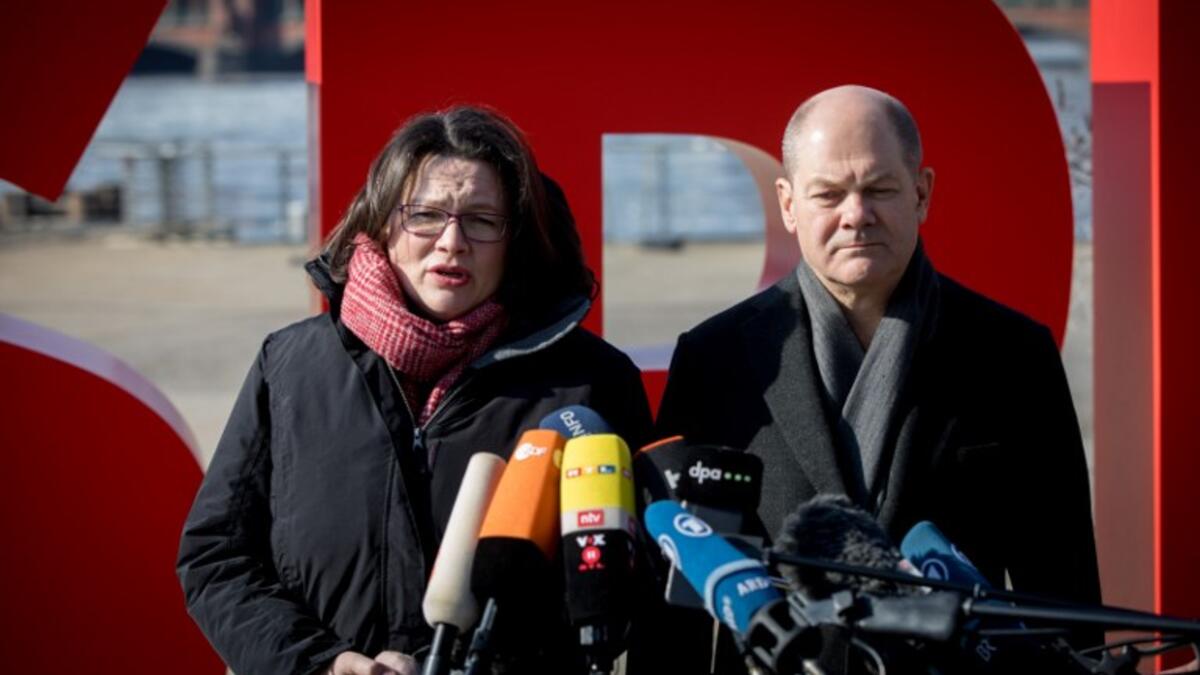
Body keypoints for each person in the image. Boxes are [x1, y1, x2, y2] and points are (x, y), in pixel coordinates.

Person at [177, 106, 653, 675]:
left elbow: (636, 588)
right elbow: (217, 557)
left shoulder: (590, 384)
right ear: (382, 223)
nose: (452, 243)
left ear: (516, 238)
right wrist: (323, 665)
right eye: (426, 215)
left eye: (482, 219)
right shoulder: (290, 365)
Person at [657, 85, 1101, 609]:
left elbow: (1062, 588)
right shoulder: (715, 360)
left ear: (922, 193)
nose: (856, 214)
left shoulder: (1011, 355)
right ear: (788, 203)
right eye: (828, 194)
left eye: (880, 189)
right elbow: (678, 593)